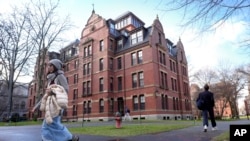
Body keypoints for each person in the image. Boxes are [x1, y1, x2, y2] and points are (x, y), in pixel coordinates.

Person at [34, 59, 79, 141]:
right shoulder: (50, 78)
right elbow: (46, 94)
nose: (49, 67)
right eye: (48, 65)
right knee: (52, 123)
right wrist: (36, 106)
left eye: (51, 65)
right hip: (50, 104)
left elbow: (66, 89)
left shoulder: (60, 76)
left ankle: (68, 137)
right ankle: (66, 138)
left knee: (50, 123)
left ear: (55, 66)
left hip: (57, 104)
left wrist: (53, 92)